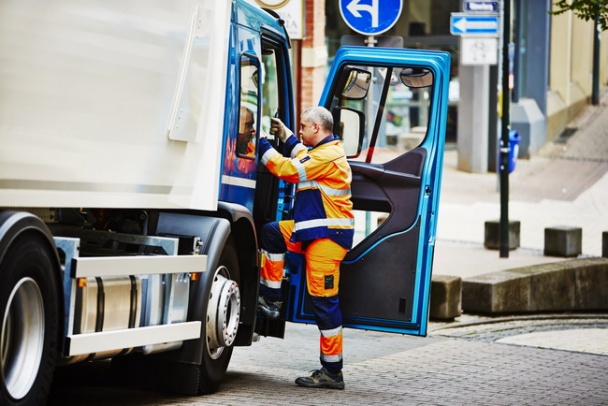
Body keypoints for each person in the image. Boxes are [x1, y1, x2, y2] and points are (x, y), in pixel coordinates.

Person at [257, 106, 354, 390]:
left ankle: (332, 371)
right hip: (312, 231)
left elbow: (290, 169)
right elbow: (301, 153)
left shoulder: (328, 155)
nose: (299, 131)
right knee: (273, 232)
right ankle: (271, 298)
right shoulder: (324, 151)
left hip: (327, 238)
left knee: (324, 303)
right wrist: (285, 135)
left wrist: (261, 142)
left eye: (302, 127)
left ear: (316, 128)